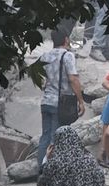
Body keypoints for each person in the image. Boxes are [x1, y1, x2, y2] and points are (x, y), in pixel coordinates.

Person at [36, 30, 86, 165]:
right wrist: (80, 101)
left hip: (46, 102)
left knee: (45, 137)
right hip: (60, 104)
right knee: (56, 138)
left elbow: (40, 81)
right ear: (66, 39)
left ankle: (41, 170)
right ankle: (54, 171)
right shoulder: (67, 56)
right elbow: (73, 78)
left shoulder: (45, 56)